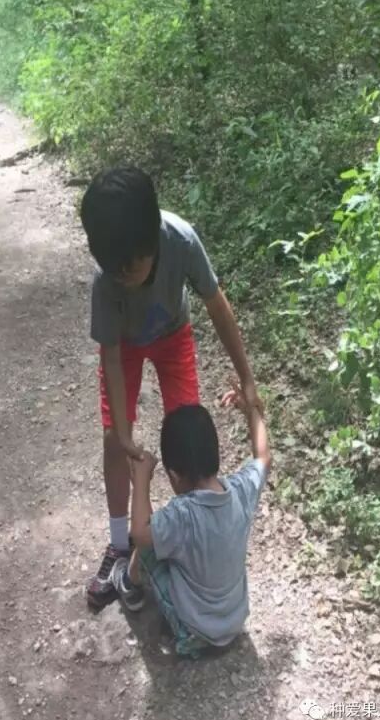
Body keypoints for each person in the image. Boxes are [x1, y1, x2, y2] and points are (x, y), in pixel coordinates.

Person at [80, 165, 263, 609]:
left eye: (129, 269)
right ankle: (120, 544)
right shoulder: (107, 281)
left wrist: (247, 378)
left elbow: (216, 306)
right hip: (124, 346)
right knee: (113, 439)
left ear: (151, 244)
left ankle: (190, 535)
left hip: (173, 335)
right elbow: (110, 358)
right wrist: (124, 435)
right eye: (113, 270)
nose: (122, 277)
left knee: (188, 439)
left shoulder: (180, 240)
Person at [110, 386, 271, 657]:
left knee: (149, 547)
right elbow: (263, 457)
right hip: (235, 620)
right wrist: (251, 411)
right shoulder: (241, 490)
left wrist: (141, 478)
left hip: (196, 632)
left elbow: (140, 533)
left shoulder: (181, 516)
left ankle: (128, 583)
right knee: (163, 538)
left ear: (174, 475)